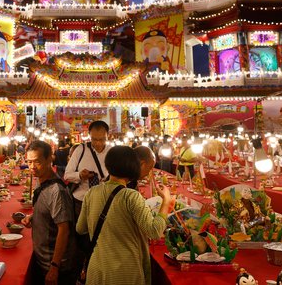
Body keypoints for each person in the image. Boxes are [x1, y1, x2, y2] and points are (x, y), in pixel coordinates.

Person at [76, 146, 171, 285]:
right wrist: (166, 202)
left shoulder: (92, 192)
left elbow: (80, 228)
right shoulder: (130, 196)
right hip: (125, 271)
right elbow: (154, 231)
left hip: (97, 268)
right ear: (133, 167)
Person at [22, 141, 77, 285]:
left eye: (37, 162)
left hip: (54, 265)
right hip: (42, 260)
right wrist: (33, 217)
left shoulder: (56, 191)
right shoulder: (41, 181)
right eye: (29, 162)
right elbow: (50, 212)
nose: (32, 167)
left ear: (49, 159)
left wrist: (54, 267)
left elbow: (64, 230)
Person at [64, 121, 111, 217]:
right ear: (89, 135)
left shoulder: (112, 152)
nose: (98, 143)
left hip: (104, 202)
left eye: (102, 139)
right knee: (81, 231)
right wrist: (79, 175)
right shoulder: (81, 150)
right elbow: (67, 175)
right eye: (94, 139)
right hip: (81, 202)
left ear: (108, 136)